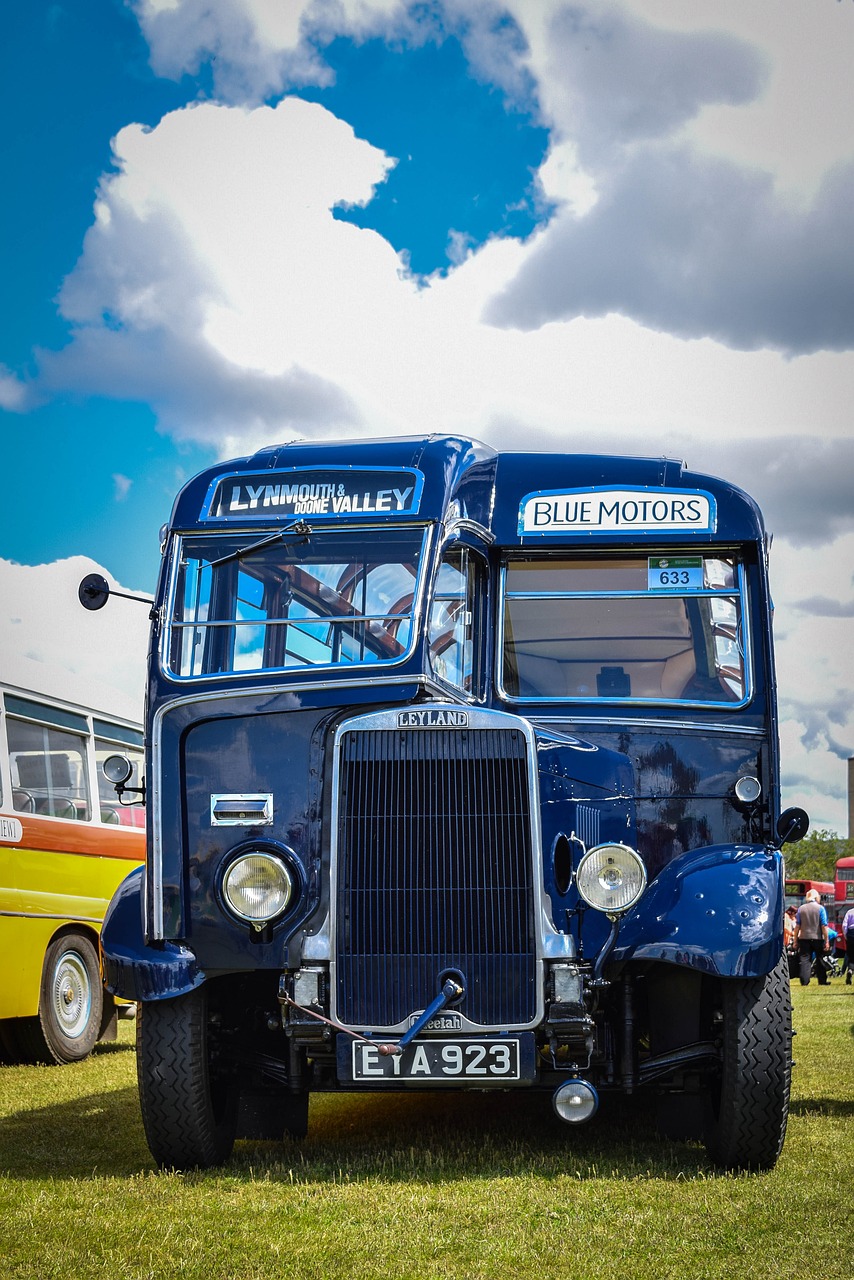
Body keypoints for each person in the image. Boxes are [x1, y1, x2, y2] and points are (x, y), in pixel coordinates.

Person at [793, 889, 830, 986]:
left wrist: (795, 940)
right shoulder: (820, 908)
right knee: (820, 959)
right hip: (817, 937)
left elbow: (797, 926)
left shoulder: (801, 909)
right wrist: (826, 941)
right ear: (816, 897)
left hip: (804, 938)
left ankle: (804, 981)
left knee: (804, 959)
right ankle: (822, 980)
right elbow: (824, 926)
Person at [842, 903, 854, 985]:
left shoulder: (850, 912)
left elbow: (844, 925)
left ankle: (850, 969)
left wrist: (846, 936)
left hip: (851, 934)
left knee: (851, 955)